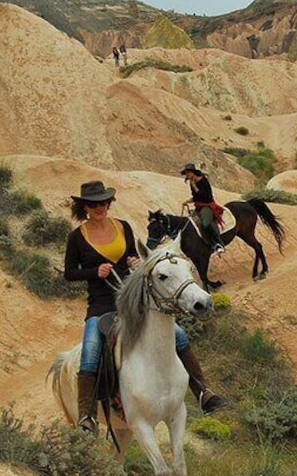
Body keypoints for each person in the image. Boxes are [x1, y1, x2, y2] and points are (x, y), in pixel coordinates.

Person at [64, 180, 223, 436]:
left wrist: (135, 261)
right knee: (91, 350)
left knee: (179, 335)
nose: (100, 207)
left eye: (104, 202)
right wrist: (95, 271)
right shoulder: (76, 238)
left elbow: (133, 258)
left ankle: (203, 392)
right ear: (85, 207)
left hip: (133, 297)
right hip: (102, 303)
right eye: (94, 204)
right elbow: (69, 273)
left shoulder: (123, 227)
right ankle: (87, 415)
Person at [180, 163, 226, 255]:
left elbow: (205, 196)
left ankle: (218, 243)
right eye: (186, 173)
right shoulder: (192, 183)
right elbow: (195, 197)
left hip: (207, 206)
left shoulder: (203, 181)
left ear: (193, 172)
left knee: (205, 223)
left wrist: (194, 186)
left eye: (188, 173)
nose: (187, 175)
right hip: (198, 206)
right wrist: (187, 201)